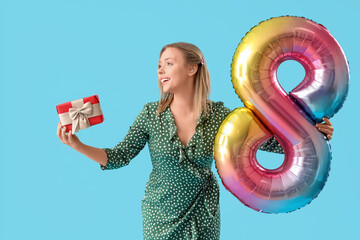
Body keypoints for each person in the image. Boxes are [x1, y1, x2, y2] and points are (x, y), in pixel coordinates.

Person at [57, 42, 334, 239]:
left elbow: (265, 141)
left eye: (169, 63)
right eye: (158, 65)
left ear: (192, 69)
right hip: (159, 215)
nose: (160, 70)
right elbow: (119, 156)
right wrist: (78, 145)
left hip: (202, 214)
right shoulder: (150, 115)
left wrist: (311, 131)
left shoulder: (219, 116)